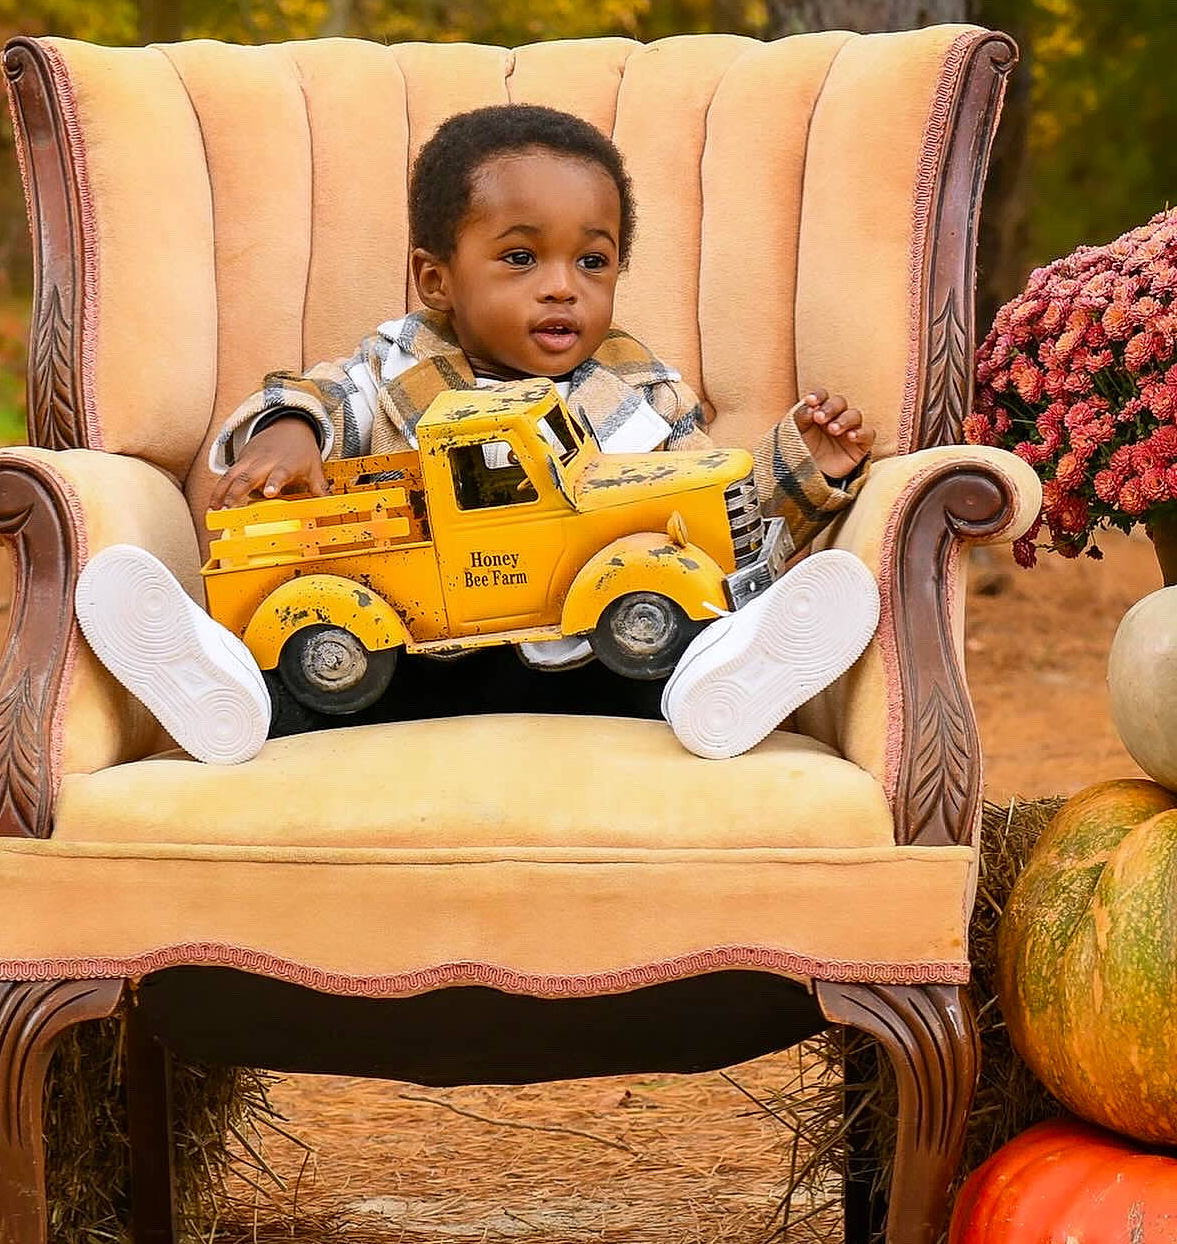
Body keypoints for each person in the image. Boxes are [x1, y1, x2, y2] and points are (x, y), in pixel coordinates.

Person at [76, 103, 879, 763]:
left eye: (592, 262)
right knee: (331, 683)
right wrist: (289, 430)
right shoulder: (398, 364)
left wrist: (804, 465)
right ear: (437, 278)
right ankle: (220, 690)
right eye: (521, 258)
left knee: (669, 647)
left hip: (593, 657)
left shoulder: (637, 385)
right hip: (430, 652)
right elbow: (320, 395)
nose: (562, 288)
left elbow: (709, 504)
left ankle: (730, 685)